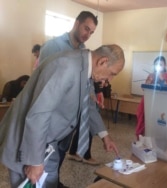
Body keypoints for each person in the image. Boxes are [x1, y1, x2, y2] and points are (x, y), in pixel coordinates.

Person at [0, 44, 125, 188]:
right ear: (102, 62)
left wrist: (105, 136)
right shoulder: (66, 66)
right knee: (28, 183)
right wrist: (35, 161)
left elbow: (88, 105)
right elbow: (40, 113)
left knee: (50, 182)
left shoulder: (86, 69)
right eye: (112, 73)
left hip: (48, 143)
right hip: (27, 142)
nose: (110, 79)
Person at [38, 11, 98, 188]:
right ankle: (46, 182)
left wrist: (92, 91)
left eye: (91, 32)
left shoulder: (83, 52)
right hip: (53, 115)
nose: (87, 34)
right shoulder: (52, 46)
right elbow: (43, 83)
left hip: (70, 116)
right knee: (48, 154)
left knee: (62, 151)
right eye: (86, 28)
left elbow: (87, 77)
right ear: (77, 23)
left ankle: (54, 180)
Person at [67, 81, 106, 165]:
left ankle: (73, 152)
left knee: (82, 126)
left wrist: (99, 92)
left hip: (87, 97)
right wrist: (105, 137)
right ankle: (85, 155)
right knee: (87, 125)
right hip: (80, 102)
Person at [135, 56, 167, 140]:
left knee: (160, 121)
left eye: (161, 64)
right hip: (149, 101)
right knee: (146, 120)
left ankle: (159, 139)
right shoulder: (151, 75)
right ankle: (145, 138)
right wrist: (148, 82)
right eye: (156, 64)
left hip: (162, 102)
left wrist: (163, 81)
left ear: (164, 65)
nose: (159, 66)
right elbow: (144, 89)